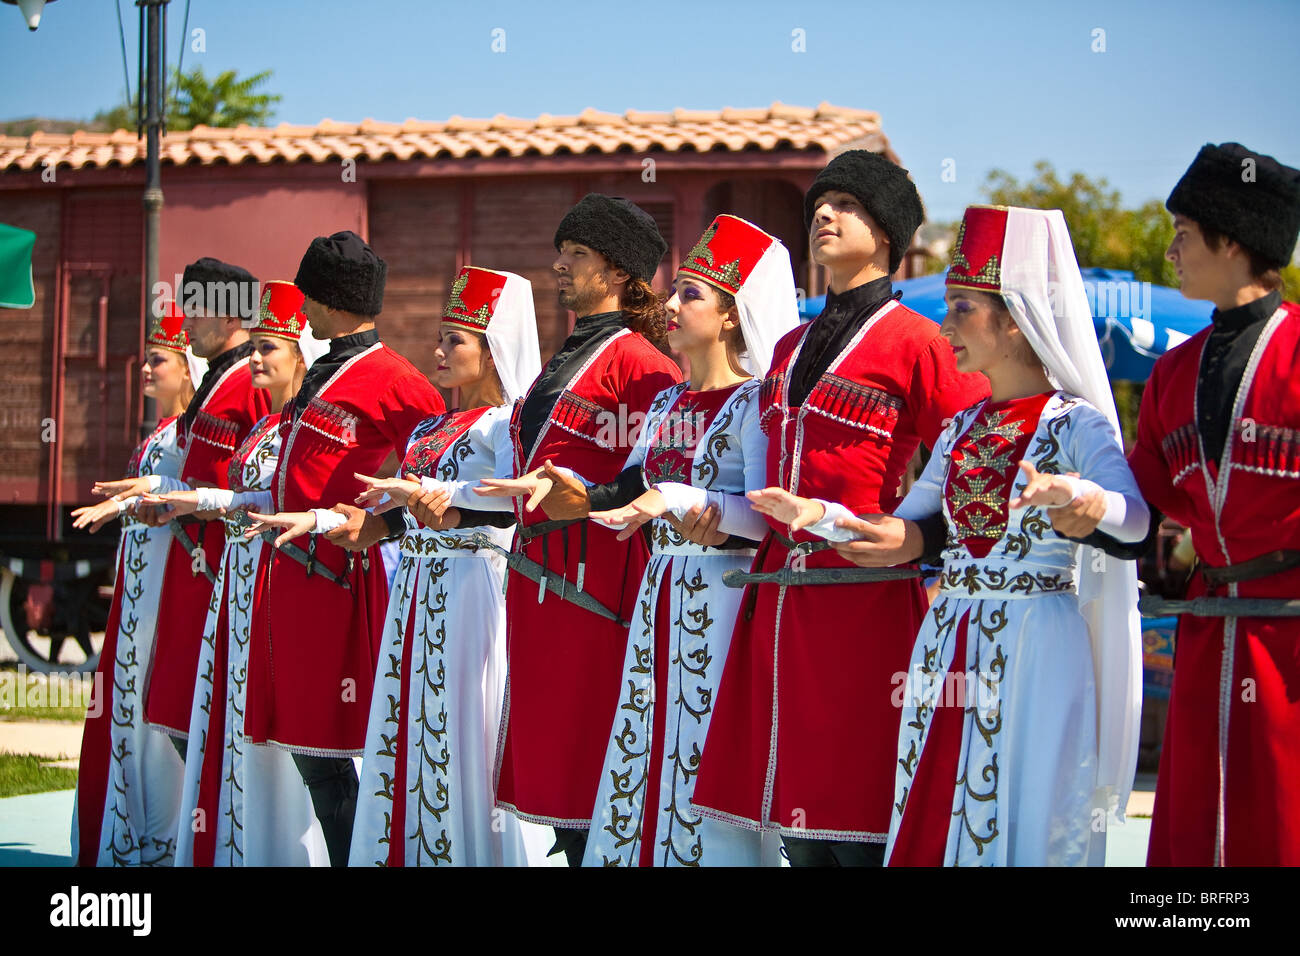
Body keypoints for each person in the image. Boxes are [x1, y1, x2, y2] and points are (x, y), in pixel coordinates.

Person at [753, 204, 1148, 865]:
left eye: (963, 306)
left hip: (1035, 644)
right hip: (948, 640)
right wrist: (823, 518)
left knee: (1028, 808)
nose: (946, 323)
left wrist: (1081, 499)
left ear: (1016, 321)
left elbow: (1134, 519)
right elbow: (912, 527)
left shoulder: (1077, 424)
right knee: (942, 815)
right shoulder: (962, 428)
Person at [687, 150, 990, 866]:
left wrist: (923, 537)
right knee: (798, 836)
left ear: (886, 231)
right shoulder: (787, 347)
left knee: (861, 831)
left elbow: (979, 458)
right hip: (780, 610)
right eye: (819, 203)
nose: (824, 214)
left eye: (847, 204)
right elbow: (757, 481)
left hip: (864, 605)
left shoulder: (919, 341)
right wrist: (709, 514)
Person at [414, 195, 682, 865]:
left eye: (578, 255)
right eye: (561, 252)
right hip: (540, 585)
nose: (558, 265)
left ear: (619, 272)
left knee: (595, 762)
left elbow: (658, 472)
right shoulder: (561, 361)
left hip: (598, 586)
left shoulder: (644, 365)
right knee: (555, 771)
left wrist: (589, 500)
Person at [1056, 143, 1300, 866]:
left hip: (1290, 630)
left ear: (1232, 241)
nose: (1171, 252)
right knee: (1196, 822)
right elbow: (1141, 505)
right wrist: (1086, 508)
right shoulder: (1173, 372)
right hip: (1206, 630)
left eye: (1185, 234)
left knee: (1282, 814)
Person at [254, 266, 542, 866]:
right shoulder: (435, 427)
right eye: (441, 336)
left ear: (493, 351)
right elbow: (402, 513)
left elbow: (515, 508)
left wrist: (455, 508)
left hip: (470, 590)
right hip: (416, 589)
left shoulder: (505, 426)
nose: (438, 350)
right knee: (409, 734)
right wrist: (331, 523)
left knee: (460, 737)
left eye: (455, 340)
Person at [577, 214, 796, 866]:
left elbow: (763, 515)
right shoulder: (668, 404)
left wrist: (683, 502)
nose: (669, 305)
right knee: (648, 746)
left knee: (708, 753)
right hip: (662, 593)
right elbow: (626, 486)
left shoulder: (757, 403)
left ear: (732, 316)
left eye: (691, 294)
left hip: (727, 603)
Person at [241, 231, 445, 866]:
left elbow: (436, 474)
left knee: (329, 749)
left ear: (331, 299)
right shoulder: (322, 365)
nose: (299, 307)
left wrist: (378, 522)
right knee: (307, 746)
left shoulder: (395, 380)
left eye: (309, 295)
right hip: (288, 579)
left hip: (333, 577)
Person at [146, 281, 329, 866]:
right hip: (238, 583)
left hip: (283, 584)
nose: (254, 358)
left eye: (267, 348)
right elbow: (239, 493)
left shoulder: (307, 425)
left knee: (300, 747)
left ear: (300, 356)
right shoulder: (260, 428)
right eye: (252, 347)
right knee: (228, 722)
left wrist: (191, 499)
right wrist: (164, 493)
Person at [69, 312, 205, 866]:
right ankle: (127, 834)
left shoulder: (190, 434)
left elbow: (191, 495)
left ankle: (157, 839)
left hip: (164, 587)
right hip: (136, 587)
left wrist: (126, 505)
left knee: (152, 707)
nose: (146, 368)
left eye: (159, 359)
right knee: (125, 702)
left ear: (187, 370)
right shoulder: (159, 432)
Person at [143, 259, 271, 749]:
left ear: (230, 317)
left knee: (215, 707)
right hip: (191, 557)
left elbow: (263, 475)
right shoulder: (218, 380)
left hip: (221, 562)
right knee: (180, 705)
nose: (187, 322)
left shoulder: (250, 381)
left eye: (196, 311)